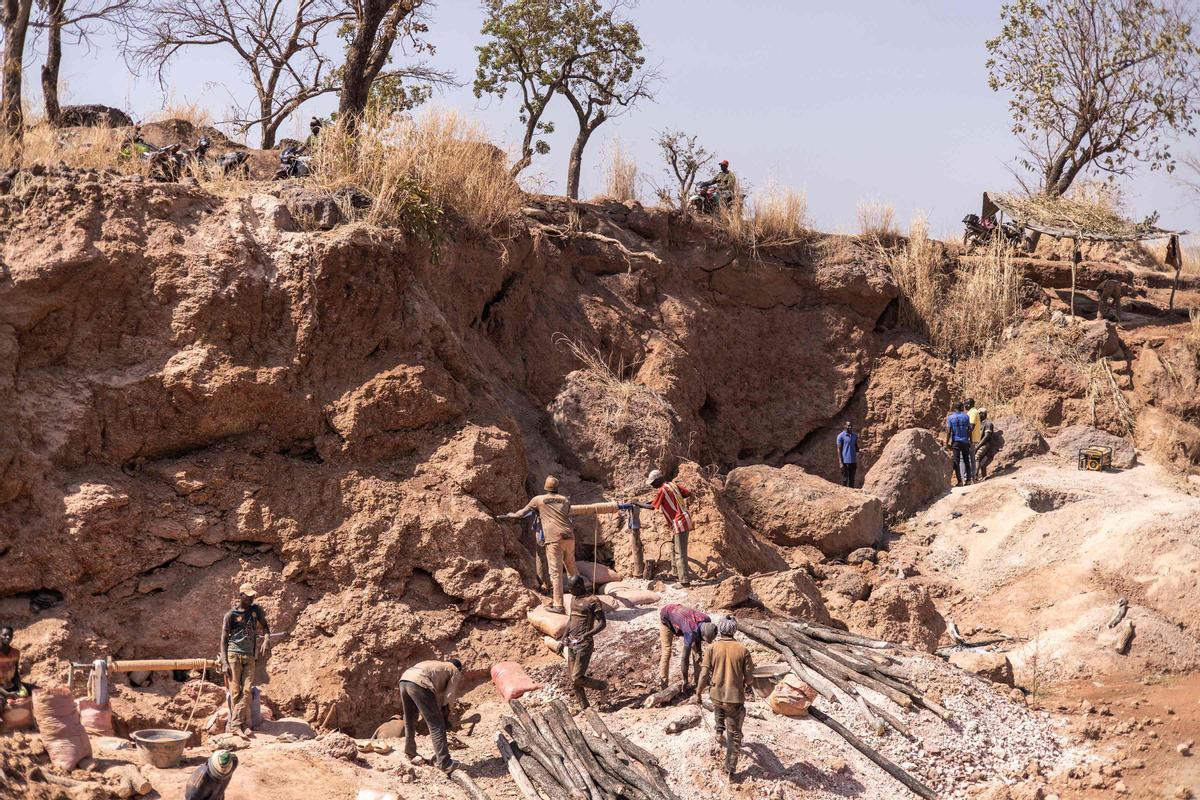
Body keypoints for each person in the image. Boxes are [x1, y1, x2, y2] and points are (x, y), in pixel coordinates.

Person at [498, 476, 577, 613]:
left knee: (556, 573)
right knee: (571, 568)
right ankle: (580, 598)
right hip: (569, 536)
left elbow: (521, 514)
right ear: (557, 488)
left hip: (554, 538)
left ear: (545, 488)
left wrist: (509, 516)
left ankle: (558, 605)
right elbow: (565, 513)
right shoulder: (565, 499)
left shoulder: (538, 500)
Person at [695, 617, 755, 778]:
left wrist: (698, 692)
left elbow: (703, 674)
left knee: (718, 708)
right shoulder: (743, 649)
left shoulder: (711, 648)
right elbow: (749, 679)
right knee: (734, 734)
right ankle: (730, 768)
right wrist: (744, 680)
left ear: (720, 630)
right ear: (734, 630)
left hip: (715, 694)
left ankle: (718, 733)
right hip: (734, 698)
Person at [219, 584, 270, 736]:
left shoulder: (256, 610)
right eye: (248, 596)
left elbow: (265, 627)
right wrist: (224, 661)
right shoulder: (230, 615)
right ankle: (241, 725)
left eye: (253, 595)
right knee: (235, 691)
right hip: (233, 655)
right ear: (241, 595)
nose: (252, 598)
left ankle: (235, 724)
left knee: (247, 690)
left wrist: (266, 639)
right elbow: (223, 639)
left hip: (249, 655)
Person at [399, 657, 463, 773]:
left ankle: (410, 751)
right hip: (420, 682)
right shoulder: (454, 670)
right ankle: (445, 763)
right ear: (459, 668)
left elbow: (434, 695)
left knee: (410, 718)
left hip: (405, 679)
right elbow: (449, 696)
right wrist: (445, 715)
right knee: (437, 725)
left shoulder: (437, 665)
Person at [648, 469, 693, 587]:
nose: (652, 486)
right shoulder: (672, 485)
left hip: (679, 522)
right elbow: (687, 493)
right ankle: (676, 574)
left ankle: (684, 581)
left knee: (680, 552)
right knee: (674, 548)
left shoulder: (662, 490)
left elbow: (652, 507)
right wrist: (676, 501)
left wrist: (636, 503)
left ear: (658, 480)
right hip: (682, 519)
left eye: (653, 483)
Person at [658, 604, 713, 689]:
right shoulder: (690, 631)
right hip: (666, 618)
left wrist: (698, 651)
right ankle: (664, 686)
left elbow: (698, 639)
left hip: (683, 618)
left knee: (697, 652)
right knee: (667, 651)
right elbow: (684, 658)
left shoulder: (707, 620)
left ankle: (698, 681)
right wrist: (685, 680)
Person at [0, 626, 27, 714]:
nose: (7, 637)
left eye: (10, 635)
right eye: (5, 635)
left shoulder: (15, 653)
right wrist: (7, 694)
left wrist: (20, 686)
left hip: (11, 685)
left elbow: (15, 674)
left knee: (37, 691)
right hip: (1, 689)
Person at [944, 402, 973, 486]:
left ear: (954, 408)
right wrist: (970, 440)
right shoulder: (966, 417)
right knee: (966, 460)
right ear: (961, 407)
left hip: (956, 441)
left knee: (956, 461)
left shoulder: (950, 418)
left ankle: (960, 481)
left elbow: (949, 431)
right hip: (965, 441)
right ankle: (968, 480)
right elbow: (970, 429)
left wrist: (946, 443)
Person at [835, 421, 859, 488]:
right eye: (848, 426)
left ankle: (851, 496)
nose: (850, 427)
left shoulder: (855, 436)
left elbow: (856, 447)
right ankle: (843, 495)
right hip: (845, 461)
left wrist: (861, 450)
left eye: (851, 426)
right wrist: (840, 462)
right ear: (845, 426)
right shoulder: (840, 436)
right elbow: (839, 450)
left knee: (852, 480)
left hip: (853, 461)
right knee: (845, 479)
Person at [975, 409, 997, 480]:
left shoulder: (988, 423)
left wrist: (978, 446)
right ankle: (981, 476)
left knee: (976, 457)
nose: (978, 416)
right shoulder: (980, 423)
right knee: (980, 462)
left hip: (985, 444)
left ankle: (975, 477)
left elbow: (987, 436)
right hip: (979, 444)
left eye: (979, 414)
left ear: (983, 414)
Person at [965, 398, 981, 483]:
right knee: (971, 458)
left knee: (969, 458)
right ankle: (972, 478)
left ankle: (970, 478)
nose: (964, 406)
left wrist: (967, 438)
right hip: (972, 438)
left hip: (971, 438)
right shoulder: (973, 412)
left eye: (965, 405)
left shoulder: (973, 412)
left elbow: (971, 427)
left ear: (968, 404)